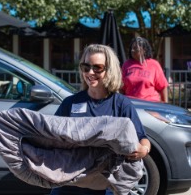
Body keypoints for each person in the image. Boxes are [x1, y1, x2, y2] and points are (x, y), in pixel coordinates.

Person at [50, 44, 151, 195]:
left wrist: (143, 150)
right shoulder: (70, 103)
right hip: (68, 183)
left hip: (105, 185)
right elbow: (52, 135)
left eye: (97, 68)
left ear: (109, 70)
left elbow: (142, 138)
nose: (90, 72)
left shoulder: (121, 104)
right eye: (86, 67)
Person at [121, 36, 168, 103]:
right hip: (130, 103)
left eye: (135, 48)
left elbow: (163, 86)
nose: (132, 50)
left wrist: (165, 103)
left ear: (144, 50)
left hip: (150, 104)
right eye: (132, 48)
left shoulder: (154, 64)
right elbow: (121, 87)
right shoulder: (127, 64)